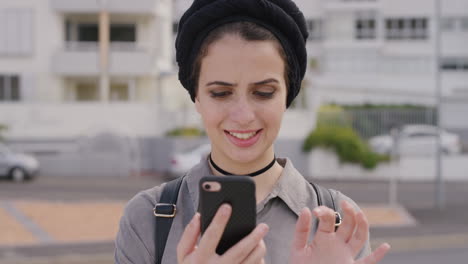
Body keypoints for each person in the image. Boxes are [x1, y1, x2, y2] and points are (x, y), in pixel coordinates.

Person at [115, 0, 390, 263]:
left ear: (287, 97)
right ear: (196, 97)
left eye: (264, 93)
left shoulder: (337, 220)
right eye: (221, 93)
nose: (244, 116)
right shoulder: (147, 217)